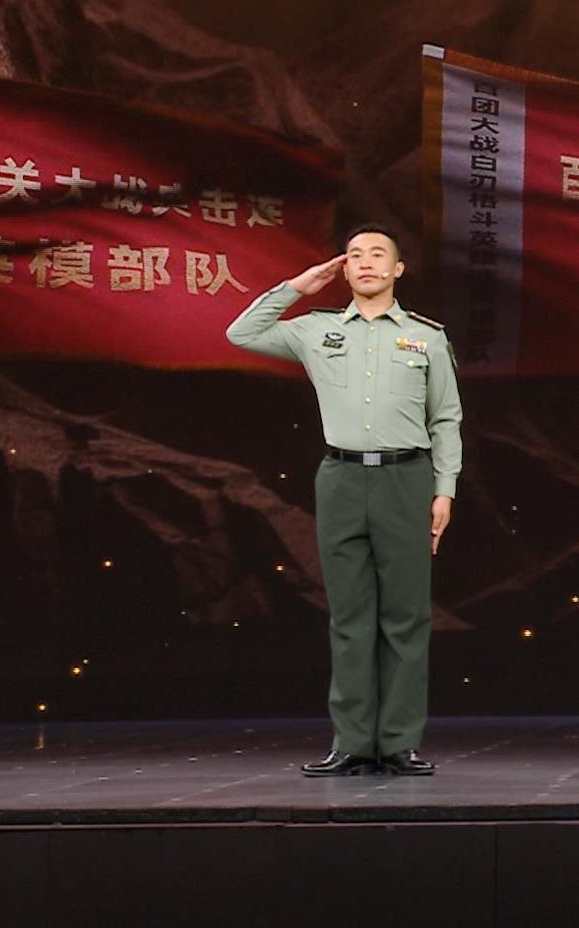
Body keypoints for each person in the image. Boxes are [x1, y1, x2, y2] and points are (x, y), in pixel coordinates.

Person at [226, 223, 461, 777]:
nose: (366, 262)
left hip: (406, 478)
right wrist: (299, 286)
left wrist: (444, 489)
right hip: (341, 478)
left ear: (398, 269)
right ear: (344, 269)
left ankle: (399, 741)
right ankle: (353, 741)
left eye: (379, 254)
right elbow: (241, 332)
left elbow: (446, 419)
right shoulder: (315, 329)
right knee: (350, 616)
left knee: (405, 615)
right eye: (355, 255)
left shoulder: (427, 337)